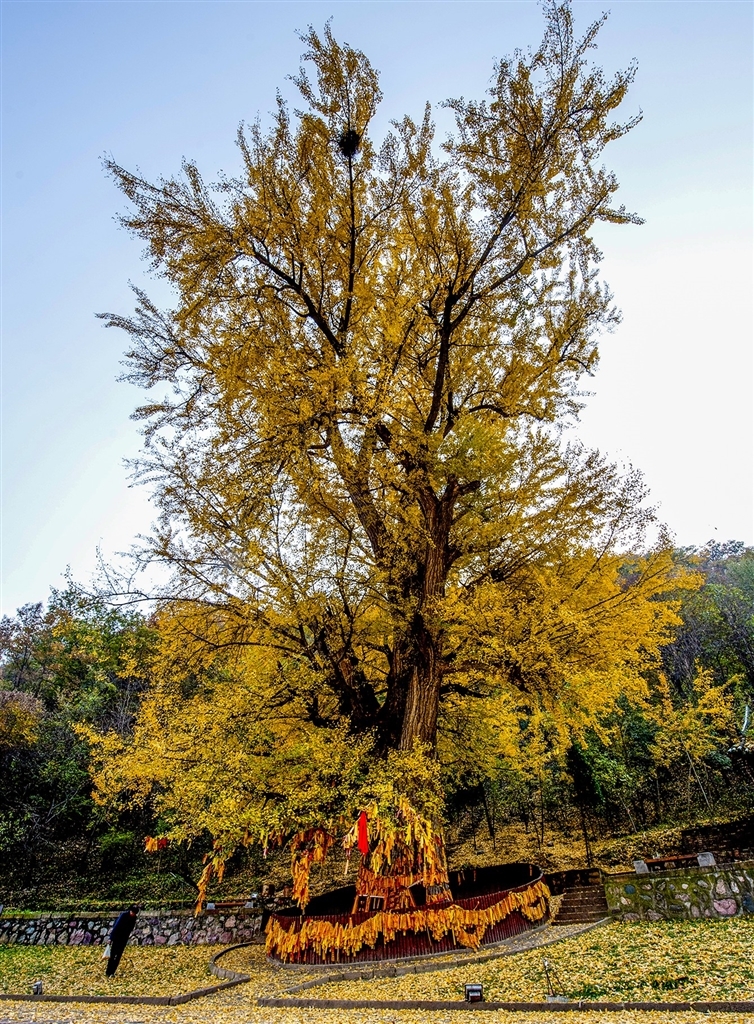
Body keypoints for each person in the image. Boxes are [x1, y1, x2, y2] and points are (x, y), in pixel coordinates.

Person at [105, 905, 139, 977]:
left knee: (118, 956)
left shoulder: (134, 918)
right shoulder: (124, 915)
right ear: (130, 911)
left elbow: (130, 928)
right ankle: (108, 971)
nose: (133, 914)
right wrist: (111, 938)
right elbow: (116, 927)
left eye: (134, 913)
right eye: (133, 912)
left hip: (123, 939)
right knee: (113, 955)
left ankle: (112, 972)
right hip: (117, 938)